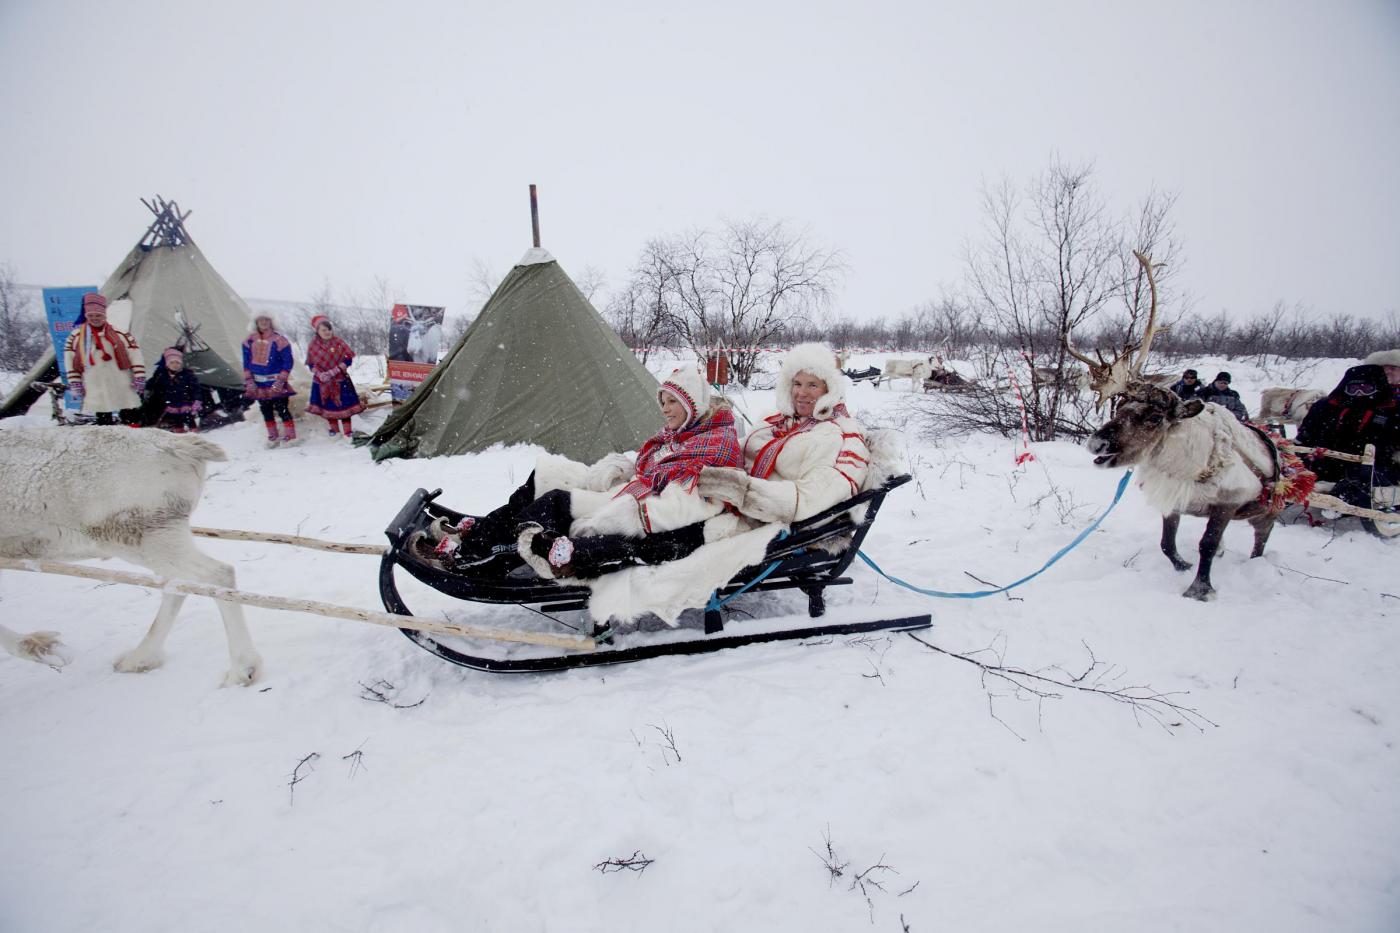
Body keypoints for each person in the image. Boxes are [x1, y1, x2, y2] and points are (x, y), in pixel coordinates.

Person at [516, 343, 871, 580]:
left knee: (666, 538)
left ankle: (577, 554)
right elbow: (735, 451)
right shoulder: (775, 422)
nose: (802, 393)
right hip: (726, 500)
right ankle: (558, 544)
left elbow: (808, 499)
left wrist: (739, 489)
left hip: (764, 520)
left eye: (812, 385)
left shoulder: (835, 436)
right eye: (797, 383)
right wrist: (701, 464)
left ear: (829, 389)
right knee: (662, 514)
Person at [415, 367, 743, 574]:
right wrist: (621, 467)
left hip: (635, 507)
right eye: (664, 401)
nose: (665, 410)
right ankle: (479, 533)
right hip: (627, 488)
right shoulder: (683, 433)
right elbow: (654, 467)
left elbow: (691, 499)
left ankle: (471, 558)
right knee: (540, 481)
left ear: (692, 405)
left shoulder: (713, 445)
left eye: (673, 402)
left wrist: (629, 509)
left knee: (553, 504)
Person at [1296, 363, 1399, 485]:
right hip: (1321, 465)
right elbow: (1304, 437)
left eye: (1366, 389)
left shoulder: (1392, 411)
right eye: (1353, 389)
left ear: (1378, 388)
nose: (1359, 393)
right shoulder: (1325, 407)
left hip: (1372, 470)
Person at [63, 292, 146, 425]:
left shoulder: (121, 334)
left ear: (104, 315)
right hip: (95, 383)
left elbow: (135, 354)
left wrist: (139, 376)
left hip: (121, 381)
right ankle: (108, 435)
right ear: (86, 316)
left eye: (98, 315)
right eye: (91, 316)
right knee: (103, 417)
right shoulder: (76, 337)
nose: (94, 318)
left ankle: (133, 432)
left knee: (130, 415)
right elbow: (70, 361)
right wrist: (75, 381)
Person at [243, 315, 298, 447]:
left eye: (267, 319)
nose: (264, 322)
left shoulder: (280, 340)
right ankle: (273, 436)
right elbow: (246, 362)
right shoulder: (249, 341)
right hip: (258, 383)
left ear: (272, 322)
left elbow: (288, 361)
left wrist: (281, 379)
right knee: (265, 409)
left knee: (282, 408)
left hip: (276, 381)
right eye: (261, 320)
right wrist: (249, 380)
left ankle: (291, 436)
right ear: (256, 322)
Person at [305, 315, 364, 438]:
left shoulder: (338, 342)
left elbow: (348, 359)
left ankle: (347, 432)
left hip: (340, 380)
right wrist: (320, 374)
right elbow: (310, 364)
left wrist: (334, 371)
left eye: (329, 329)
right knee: (328, 407)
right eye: (324, 330)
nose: (327, 332)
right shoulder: (313, 345)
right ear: (317, 331)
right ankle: (334, 431)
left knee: (344, 406)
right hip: (322, 382)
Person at [144, 347, 203, 433]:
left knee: (188, 418)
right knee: (176, 419)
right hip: (172, 402)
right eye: (172, 362)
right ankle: (179, 431)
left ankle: (193, 431)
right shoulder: (163, 375)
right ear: (167, 364)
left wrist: (197, 399)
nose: (175, 365)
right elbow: (157, 386)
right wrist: (148, 388)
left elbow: (195, 388)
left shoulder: (187, 375)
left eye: (178, 363)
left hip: (186, 401)